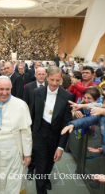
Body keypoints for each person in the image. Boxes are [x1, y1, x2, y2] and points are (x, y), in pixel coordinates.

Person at [31, 66, 73, 194]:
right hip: (39, 133)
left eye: (57, 80)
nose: (54, 83)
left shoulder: (67, 96)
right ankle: (41, 190)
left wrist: (61, 147)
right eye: (52, 80)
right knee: (41, 165)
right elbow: (32, 114)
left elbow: (66, 124)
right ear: (46, 78)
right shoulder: (36, 92)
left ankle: (45, 178)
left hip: (55, 136)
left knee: (49, 163)